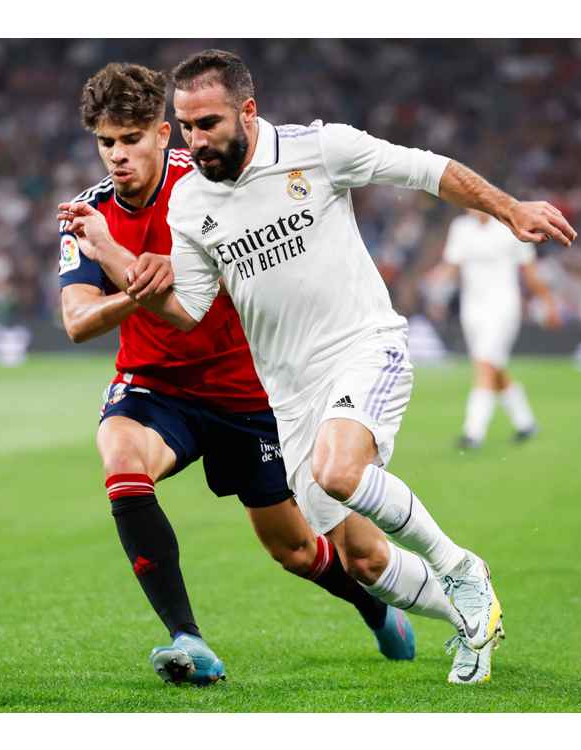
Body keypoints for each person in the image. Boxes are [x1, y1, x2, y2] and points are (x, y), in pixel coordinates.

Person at [61, 50, 576, 683]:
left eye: (208, 125)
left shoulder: (321, 149)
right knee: (359, 557)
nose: (196, 142)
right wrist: (122, 260)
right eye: (189, 127)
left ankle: (462, 568)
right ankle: (471, 617)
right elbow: (188, 309)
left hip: (362, 347)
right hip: (286, 394)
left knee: (338, 471)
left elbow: (426, 170)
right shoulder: (191, 202)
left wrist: (509, 208)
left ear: (247, 112)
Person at [58, 63, 416, 687]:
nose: (117, 155)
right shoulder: (87, 218)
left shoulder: (207, 185)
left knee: (296, 550)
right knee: (118, 453)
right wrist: (140, 288)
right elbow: (78, 321)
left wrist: (146, 274)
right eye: (105, 142)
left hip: (245, 390)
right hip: (154, 385)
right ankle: (186, 638)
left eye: (131, 138)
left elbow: (223, 288)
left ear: (164, 134)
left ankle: (373, 607)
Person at [429, 208, 561, 449]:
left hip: (504, 310)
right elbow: (452, 264)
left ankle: (473, 432)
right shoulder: (461, 228)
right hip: (472, 311)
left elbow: (530, 269)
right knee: (494, 366)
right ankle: (526, 422)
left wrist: (548, 303)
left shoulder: (511, 225)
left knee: (484, 364)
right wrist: (438, 278)